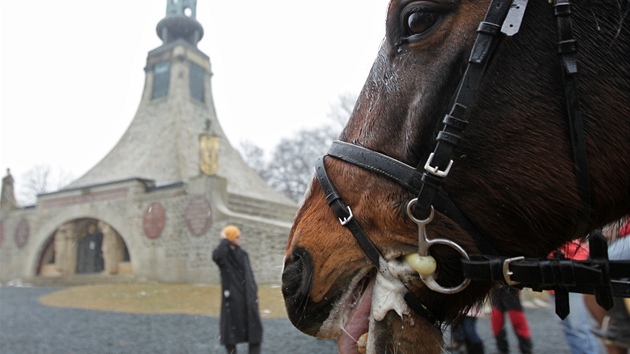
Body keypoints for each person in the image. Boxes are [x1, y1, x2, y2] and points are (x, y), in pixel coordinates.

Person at [212, 225, 263, 354]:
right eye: (237, 236)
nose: (241, 238)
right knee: (230, 333)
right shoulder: (224, 255)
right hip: (233, 299)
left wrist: (253, 290)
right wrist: (224, 240)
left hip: (248, 297)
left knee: (255, 332)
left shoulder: (243, 254)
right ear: (230, 238)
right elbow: (217, 256)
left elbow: (249, 274)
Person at [550, 240, 599, 354]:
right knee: (567, 326)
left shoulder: (571, 240)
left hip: (571, 287)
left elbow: (583, 253)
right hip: (554, 288)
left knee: (578, 327)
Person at [490, 285, 534, 354]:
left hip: (510, 286)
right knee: (496, 320)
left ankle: (526, 349)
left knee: (517, 319)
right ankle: (502, 349)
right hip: (495, 287)